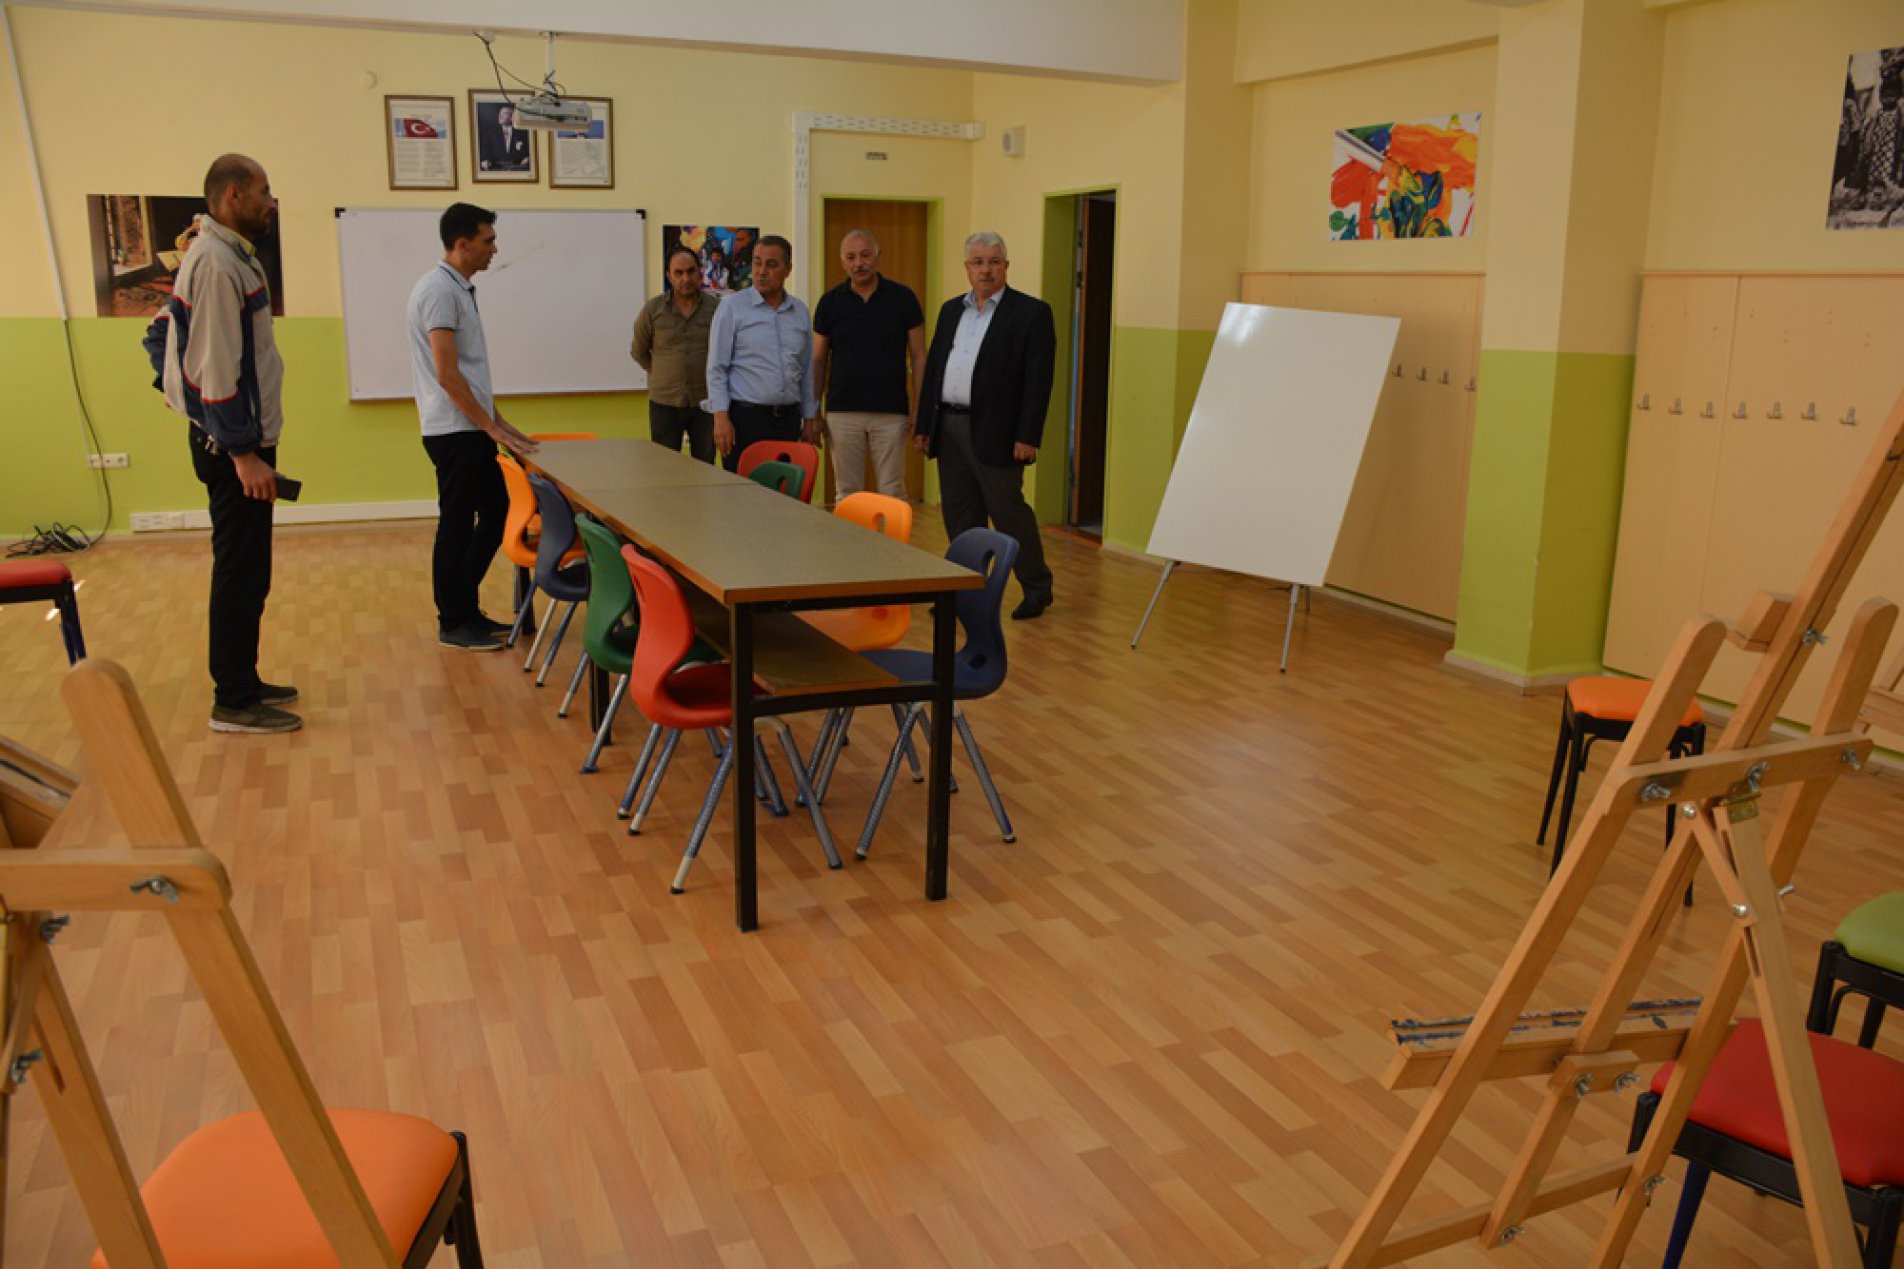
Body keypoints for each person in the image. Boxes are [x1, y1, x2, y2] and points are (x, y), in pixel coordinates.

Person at [142, 154, 300, 732]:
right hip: (235, 449)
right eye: (265, 190)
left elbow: (163, 336)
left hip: (240, 441)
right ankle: (232, 701)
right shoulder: (214, 262)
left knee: (251, 572)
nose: (272, 202)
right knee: (239, 572)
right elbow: (214, 368)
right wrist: (240, 452)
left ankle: (244, 680)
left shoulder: (228, 256)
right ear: (234, 196)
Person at [407, 202, 540, 652]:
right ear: (462, 244)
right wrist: (490, 429)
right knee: (457, 525)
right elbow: (448, 375)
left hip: (468, 427)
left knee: (497, 510)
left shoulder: (458, 288)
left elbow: (468, 374)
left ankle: (465, 608)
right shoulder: (439, 291)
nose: (495, 249)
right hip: (454, 431)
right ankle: (454, 620)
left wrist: (499, 422)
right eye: (488, 241)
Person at [914, 231, 1057, 620]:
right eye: (978, 262)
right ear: (967, 268)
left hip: (998, 431)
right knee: (960, 515)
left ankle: (1037, 587)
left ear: (1006, 266)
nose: (986, 270)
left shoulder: (1031, 313)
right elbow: (935, 370)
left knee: (1008, 512)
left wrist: (1028, 435)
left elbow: (1038, 382)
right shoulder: (950, 311)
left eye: (994, 262)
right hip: (949, 425)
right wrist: (925, 423)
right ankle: (964, 591)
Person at [812, 228, 925, 500]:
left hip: (891, 412)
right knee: (847, 492)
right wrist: (813, 410)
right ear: (842, 261)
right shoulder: (829, 302)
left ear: (878, 256)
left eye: (865, 255)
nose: (858, 263)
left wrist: (919, 409)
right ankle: (847, 533)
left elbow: (919, 355)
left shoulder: (903, 298)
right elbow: (818, 359)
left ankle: (891, 533)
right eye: (850, 257)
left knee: (892, 490)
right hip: (842, 412)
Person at [704, 235, 819, 471]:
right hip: (745, 421)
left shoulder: (799, 311)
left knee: (784, 490)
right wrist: (720, 418)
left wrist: (809, 417)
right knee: (742, 492)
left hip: (788, 421)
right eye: (757, 263)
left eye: (771, 265)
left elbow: (806, 370)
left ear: (788, 269)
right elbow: (717, 368)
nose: (762, 271)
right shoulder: (731, 307)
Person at [630, 245, 719, 463]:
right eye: (678, 273)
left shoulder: (716, 309)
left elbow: (726, 352)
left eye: (690, 271)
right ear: (669, 276)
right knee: (665, 468)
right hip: (664, 403)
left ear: (699, 272)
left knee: (705, 467)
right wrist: (661, 372)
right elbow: (639, 351)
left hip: (706, 402)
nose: (685, 279)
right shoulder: (653, 310)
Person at [478, 104, 531, 172]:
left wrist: (528, 158)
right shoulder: (491, 133)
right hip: (496, 168)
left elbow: (528, 150)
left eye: (505, 113)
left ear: (512, 117)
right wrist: (485, 160)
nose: (500, 116)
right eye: (500, 114)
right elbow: (485, 151)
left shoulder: (522, 133)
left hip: (517, 168)